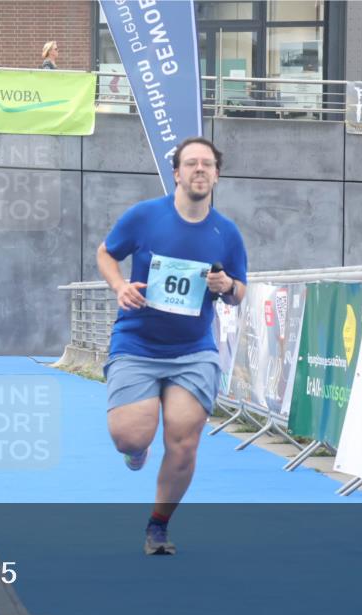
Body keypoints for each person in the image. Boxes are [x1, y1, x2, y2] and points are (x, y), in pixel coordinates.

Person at [96, 137, 247, 556]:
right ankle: (137, 450)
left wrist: (227, 285)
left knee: (184, 442)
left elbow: (240, 292)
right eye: (191, 163)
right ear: (176, 172)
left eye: (207, 164)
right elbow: (106, 253)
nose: (199, 170)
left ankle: (157, 526)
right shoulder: (144, 217)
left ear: (217, 174)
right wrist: (120, 286)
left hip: (193, 350)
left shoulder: (227, 233)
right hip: (137, 342)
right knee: (129, 437)